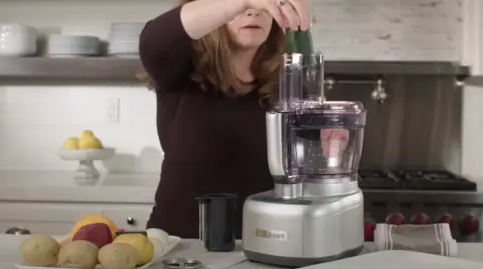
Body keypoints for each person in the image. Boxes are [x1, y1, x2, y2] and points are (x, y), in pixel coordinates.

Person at [139, 0, 347, 238]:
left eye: (263, 5)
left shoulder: (290, 86)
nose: (253, 11)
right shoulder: (179, 72)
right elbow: (154, 40)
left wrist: (329, 152)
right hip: (178, 246)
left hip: (267, 244)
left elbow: (304, 177)